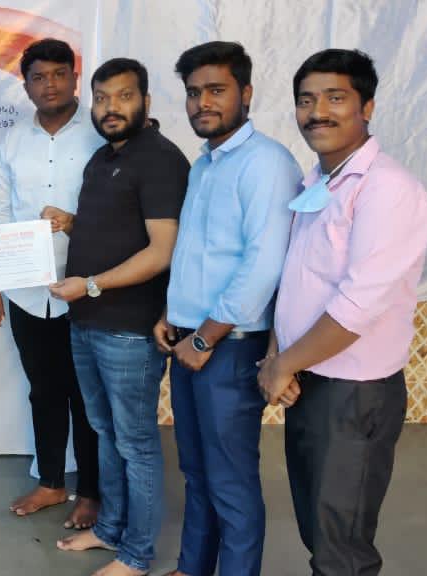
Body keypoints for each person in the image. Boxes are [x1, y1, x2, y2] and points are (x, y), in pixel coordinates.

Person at [261, 48, 427, 576]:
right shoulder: (319, 181)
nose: (317, 112)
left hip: (354, 392)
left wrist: (283, 363)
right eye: (306, 100)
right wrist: (279, 356)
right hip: (310, 380)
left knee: (342, 543)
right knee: (321, 530)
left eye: (335, 98)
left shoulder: (389, 189)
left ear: (368, 107)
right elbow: (297, 281)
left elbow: (358, 305)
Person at [156, 41, 302, 576]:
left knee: (231, 482)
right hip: (191, 341)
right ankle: (192, 567)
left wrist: (204, 338)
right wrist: (172, 315)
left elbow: (263, 265)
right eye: (194, 92)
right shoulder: (206, 165)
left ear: (246, 93)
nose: (202, 103)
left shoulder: (267, 163)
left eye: (216, 90)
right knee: (197, 472)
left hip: (228, 347)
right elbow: (198, 254)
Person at [50, 57, 189, 576]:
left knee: (135, 444)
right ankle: (110, 529)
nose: (111, 107)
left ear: (146, 102)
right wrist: (70, 223)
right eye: (102, 98)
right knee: (105, 433)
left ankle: (136, 554)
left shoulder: (160, 160)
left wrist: (90, 284)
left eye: (124, 96)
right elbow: (115, 229)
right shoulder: (104, 158)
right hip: (87, 321)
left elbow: (161, 250)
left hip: (129, 328)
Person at [0, 37, 104, 530]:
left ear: (75, 78)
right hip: (27, 293)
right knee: (44, 390)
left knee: (86, 395)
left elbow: (119, 212)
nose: (49, 85)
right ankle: (52, 481)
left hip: (88, 290)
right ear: (26, 84)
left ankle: (92, 491)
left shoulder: (100, 134)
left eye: (58, 74)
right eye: (38, 77)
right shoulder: (13, 141)